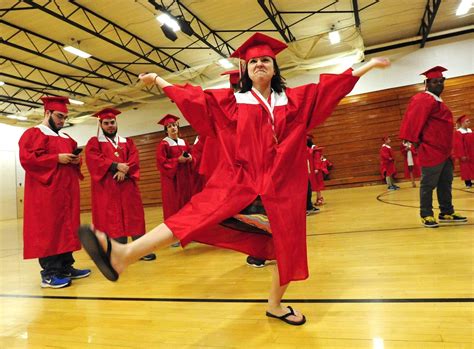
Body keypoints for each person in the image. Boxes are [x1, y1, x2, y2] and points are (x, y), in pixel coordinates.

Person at [79, 33, 390, 325]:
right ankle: (124, 254)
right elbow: (193, 99)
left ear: (274, 66)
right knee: (193, 213)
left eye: (265, 60)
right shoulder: (232, 103)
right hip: (241, 179)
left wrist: (368, 66)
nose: (259, 65)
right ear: (246, 69)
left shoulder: (294, 101)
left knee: (288, 245)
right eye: (253, 61)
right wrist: (160, 80)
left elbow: (329, 88)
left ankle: (275, 304)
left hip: (283, 185)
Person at [19, 96, 90, 288]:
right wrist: (56, 158)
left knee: (66, 228)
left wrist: (76, 161)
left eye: (65, 118)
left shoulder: (67, 138)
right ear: (47, 112)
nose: (62, 121)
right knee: (49, 231)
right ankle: (49, 274)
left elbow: (74, 160)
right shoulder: (33, 134)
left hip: (66, 193)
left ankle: (66, 267)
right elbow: (28, 160)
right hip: (46, 193)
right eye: (59, 116)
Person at [399, 66, 467, 228]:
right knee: (428, 184)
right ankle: (426, 214)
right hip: (432, 149)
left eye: (441, 81)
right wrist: (413, 140)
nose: (439, 84)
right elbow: (413, 120)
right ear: (427, 83)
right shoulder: (423, 99)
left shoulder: (437, 101)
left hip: (445, 151)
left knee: (445, 183)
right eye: (435, 82)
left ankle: (446, 212)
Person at [85, 108, 156, 261]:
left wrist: (124, 170)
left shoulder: (127, 142)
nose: (110, 125)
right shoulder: (95, 143)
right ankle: (116, 251)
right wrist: (115, 166)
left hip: (127, 186)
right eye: (106, 123)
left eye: (112, 122)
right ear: (101, 124)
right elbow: (93, 159)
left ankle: (140, 250)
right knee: (111, 218)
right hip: (107, 188)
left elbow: (134, 159)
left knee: (134, 216)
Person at [453, 115, 473, 188]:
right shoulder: (458, 132)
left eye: (469, 121)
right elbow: (458, 145)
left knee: (472, 166)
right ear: (462, 123)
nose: (469, 122)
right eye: (467, 121)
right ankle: (468, 183)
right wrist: (462, 155)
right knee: (466, 168)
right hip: (465, 152)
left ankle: (471, 181)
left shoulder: (469, 130)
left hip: (472, 152)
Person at [307, 134, 324, 211]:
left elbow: (317, 159)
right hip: (310, 169)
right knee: (312, 185)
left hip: (315, 170)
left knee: (317, 185)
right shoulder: (309, 149)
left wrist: (317, 168)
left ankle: (319, 198)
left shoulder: (315, 149)